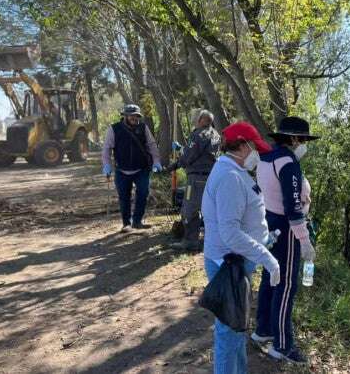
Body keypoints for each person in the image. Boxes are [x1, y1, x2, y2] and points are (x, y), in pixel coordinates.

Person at [202, 121, 281, 374]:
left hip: (236, 263)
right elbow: (230, 232)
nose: (257, 153)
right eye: (255, 147)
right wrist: (267, 257)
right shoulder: (230, 177)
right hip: (228, 266)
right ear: (243, 146)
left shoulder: (233, 170)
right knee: (229, 334)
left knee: (236, 331)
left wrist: (266, 237)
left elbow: (242, 219)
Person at [252, 116, 319, 365]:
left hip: (269, 222)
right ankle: (282, 345)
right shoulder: (288, 162)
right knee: (287, 284)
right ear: (292, 139)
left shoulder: (266, 157)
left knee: (271, 276)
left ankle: (263, 330)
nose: (303, 144)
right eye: (302, 139)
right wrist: (304, 241)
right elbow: (293, 207)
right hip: (287, 228)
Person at [102, 104, 162, 232]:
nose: (135, 118)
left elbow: (152, 145)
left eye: (136, 116)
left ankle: (137, 221)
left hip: (141, 169)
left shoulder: (143, 128)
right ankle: (126, 224)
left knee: (143, 193)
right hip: (121, 170)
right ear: (125, 116)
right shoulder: (114, 129)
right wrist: (106, 165)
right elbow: (107, 149)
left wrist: (156, 161)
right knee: (124, 197)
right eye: (132, 116)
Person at [169, 109, 221, 251]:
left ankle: (191, 241)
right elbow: (202, 152)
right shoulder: (215, 134)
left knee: (189, 209)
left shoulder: (198, 134)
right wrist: (182, 149)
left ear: (200, 120)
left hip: (197, 178)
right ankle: (213, 240)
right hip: (211, 177)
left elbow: (189, 155)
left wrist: (176, 165)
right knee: (210, 209)